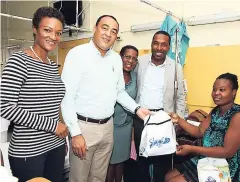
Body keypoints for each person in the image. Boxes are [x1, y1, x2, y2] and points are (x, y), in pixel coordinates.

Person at [61, 15, 150, 182]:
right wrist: (75, 133)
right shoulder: (77, 55)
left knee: (99, 178)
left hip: (108, 128)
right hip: (84, 128)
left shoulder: (116, 59)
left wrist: (137, 109)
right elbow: (66, 98)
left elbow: (119, 93)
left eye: (114, 31)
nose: (108, 34)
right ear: (95, 28)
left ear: (116, 37)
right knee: (79, 178)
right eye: (105, 28)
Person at [0, 7, 68, 182]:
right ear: (35, 29)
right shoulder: (18, 61)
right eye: (47, 30)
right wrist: (53, 126)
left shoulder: (52, 65)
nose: (53, 37)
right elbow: (5, 107)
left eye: (58, 33)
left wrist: (60, 140)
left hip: (56, 145)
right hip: (28, 152)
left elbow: (50, 104)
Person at [165, 73, 240, 182]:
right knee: (168, 176)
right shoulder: (216, 111)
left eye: (222, 90)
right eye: (214, 89)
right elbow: (199, 131)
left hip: (225, 167)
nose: (216, 93)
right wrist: (178, 120)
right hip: (207, 160)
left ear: (233, 92)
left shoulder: (238, 117)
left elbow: (227, 152)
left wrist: (192, 149)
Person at [134, 30, 185, 182]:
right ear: (151, 44)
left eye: (163, 44)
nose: (159, 47)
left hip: (164, 120)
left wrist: (178, 121)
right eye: (156, 43)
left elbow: (180, 96)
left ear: (168, 47)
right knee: (142, 159)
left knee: (161, 163)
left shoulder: (176, 68)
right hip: (141, 119)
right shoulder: (140, 62)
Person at [105, 45, 139, 182]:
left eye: (134, 58)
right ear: (120, 57)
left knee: (121, 162)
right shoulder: (111, 75)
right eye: (127, 56)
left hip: (126, 127)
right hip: (111, 126)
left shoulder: (135, 77)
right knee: (110, 163)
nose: (130, 61)